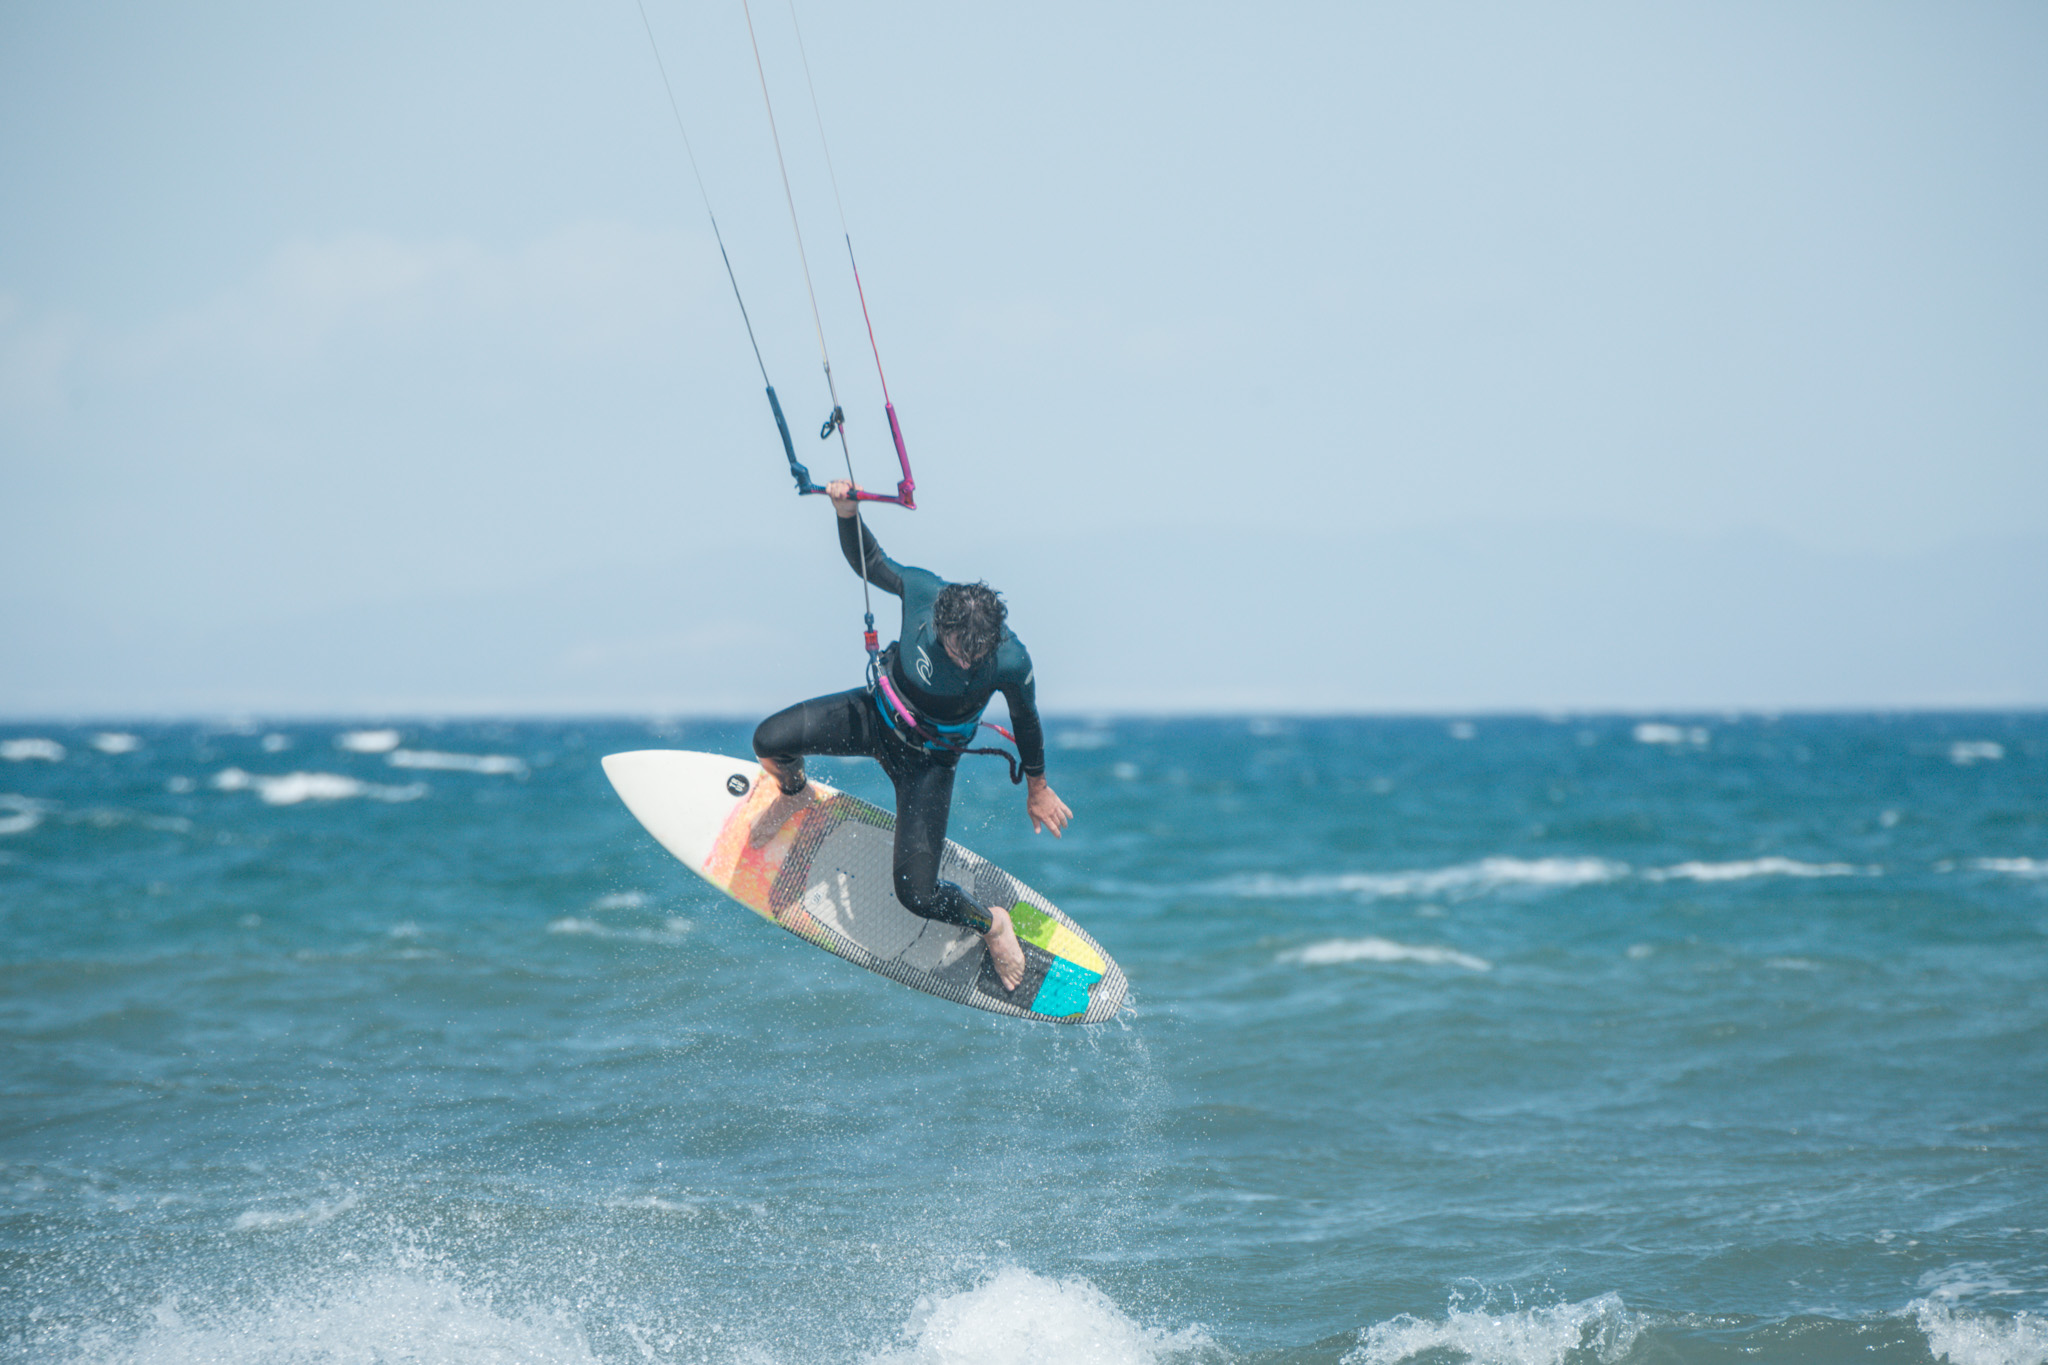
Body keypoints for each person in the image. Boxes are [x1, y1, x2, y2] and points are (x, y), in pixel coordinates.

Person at [752, 478, 1072, 992]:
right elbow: (872, 562)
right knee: (770, 741)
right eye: (957, 652)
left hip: (928, 764)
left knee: (916, 896)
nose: (968, 663)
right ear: (940, 624)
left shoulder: (1010, 659)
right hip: (874, 716)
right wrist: (845, 513)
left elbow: (1027, 720)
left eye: (976, 656)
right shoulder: (925, 593)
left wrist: (1036, 788)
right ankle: (795, 794)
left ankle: (994, 925)